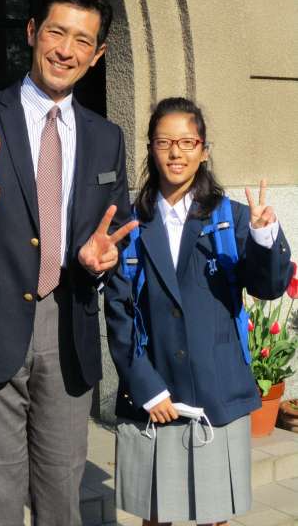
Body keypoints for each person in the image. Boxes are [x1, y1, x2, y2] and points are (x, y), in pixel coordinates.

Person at [0, 0, 136, 526]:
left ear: (98, 54)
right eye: (57, 32)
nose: (66, 50)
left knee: (63, 487)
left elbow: (114, 229)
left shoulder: (107, 137)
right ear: (32, 32)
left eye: (82, 40)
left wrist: (102, 259)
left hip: (68, 324)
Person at [105, 97, 293, 526]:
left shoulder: (233, 218)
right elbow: (117, 311)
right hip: (155, 389)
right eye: (164, 142)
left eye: (187, 142)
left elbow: (268, 287)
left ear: (204, 150)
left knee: (215, 514)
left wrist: (265, 238)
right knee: (156, 512)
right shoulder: (130, 225)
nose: (176, 153)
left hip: (216, 390)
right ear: (151, 149)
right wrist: (145, 385)